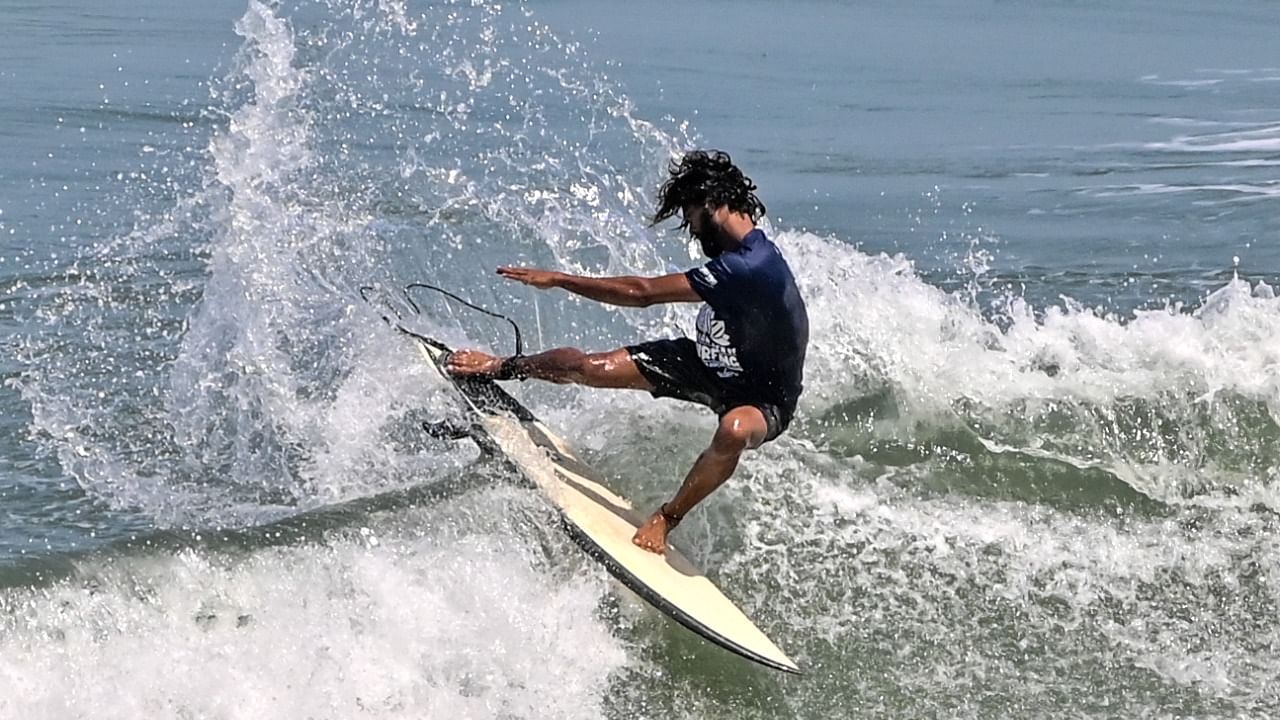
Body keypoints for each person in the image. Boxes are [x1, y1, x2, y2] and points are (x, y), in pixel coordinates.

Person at [446, 150, 809, 554]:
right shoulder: (745, 246)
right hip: (707, 363)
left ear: (709, 204)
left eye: (688, 215)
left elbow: (643, 293)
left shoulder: (750, 266)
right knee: (589, 367)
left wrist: (561, 279)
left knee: (733, 431)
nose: (689, 228)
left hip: (762, 398)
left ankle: (666, 518)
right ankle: (502, 366)